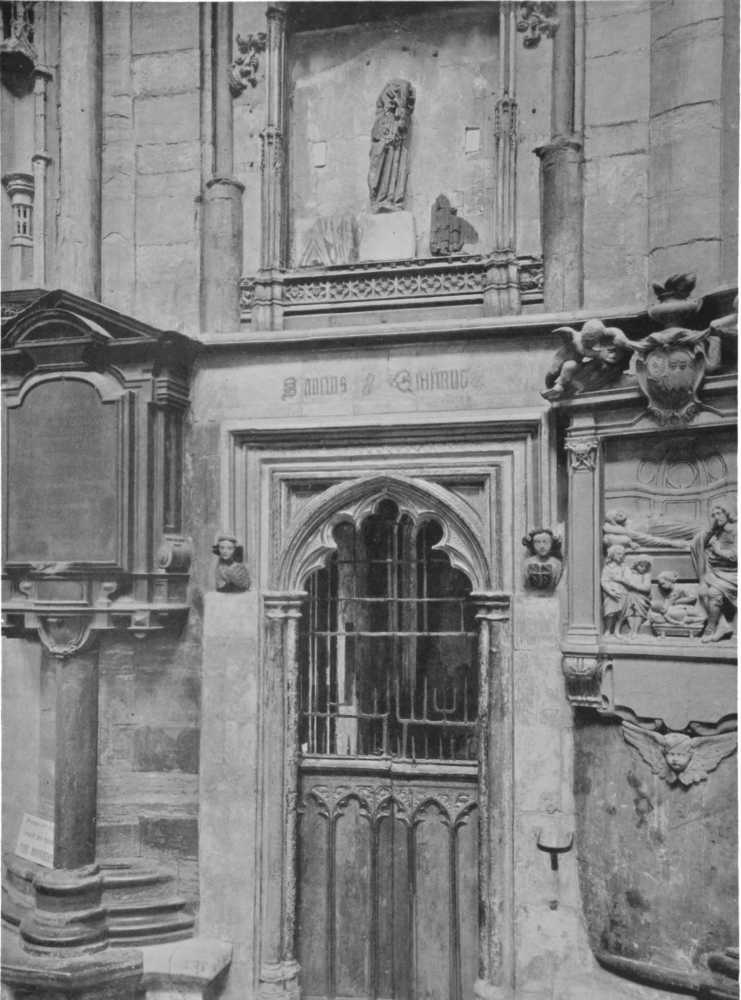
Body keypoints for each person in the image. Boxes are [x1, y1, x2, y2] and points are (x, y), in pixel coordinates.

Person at [691, 502, 737, 642]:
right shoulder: (717, 531)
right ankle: (722, 625)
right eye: (714, 515)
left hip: (734, 574)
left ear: (728, 513)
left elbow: (735, 556)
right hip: (716, 571)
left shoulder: (736, 530)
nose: (716, 517)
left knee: (713, 593)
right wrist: (711, 529)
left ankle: (711, 627)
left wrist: (717, 550)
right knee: (703, 591)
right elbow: (699, 543)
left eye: (719, 513)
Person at [368, 79, 415, 213]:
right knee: (380, 164)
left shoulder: (401, 116)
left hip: (395, 139)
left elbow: (403, 117)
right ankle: (379, 199)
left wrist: (401, 117)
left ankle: (391, 199)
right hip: (384, 136)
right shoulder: (384, 111)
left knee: (395, 164)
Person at [619, 557, 653, 638]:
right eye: (641, 566)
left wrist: (632, 585)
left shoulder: (646, 575)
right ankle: (631, 630)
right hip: (630, 595)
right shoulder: (630, 573)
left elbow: (647, 588)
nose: (643, 568)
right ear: (636, 565)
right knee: (629, 612)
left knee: (638, 612)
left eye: (645, 567)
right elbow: (624, 582)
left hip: (641, 597)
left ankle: (636, 631)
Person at [601, 544, 628, 636]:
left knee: (621, 614)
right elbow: (604, 581)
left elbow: (628, 579)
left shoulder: (624, 567)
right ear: (612, 554)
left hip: (623, 591)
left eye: (622, 554)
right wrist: (610, 592)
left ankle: (617, 631)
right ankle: (608, 629)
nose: (621, 556)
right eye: (619, 554)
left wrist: (621, 579)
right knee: (610, 613)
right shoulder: (608, 567)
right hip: (611, 593)